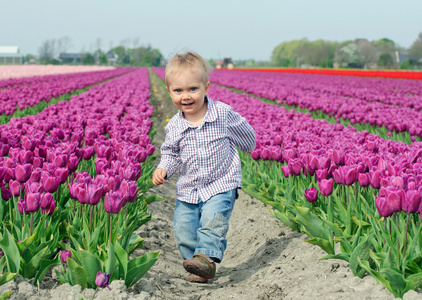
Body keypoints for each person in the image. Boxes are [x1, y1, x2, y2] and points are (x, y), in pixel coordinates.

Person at [152, 51, 256, 283]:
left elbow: (247, 136)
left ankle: (206, 258)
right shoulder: (175, 126)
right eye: (178, 91)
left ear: (206, 87)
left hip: (221, 183)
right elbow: (171, 153)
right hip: (189, 188)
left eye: (193, 89)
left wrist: (249, 145)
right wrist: (164, 169)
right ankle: (197, 266)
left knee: (212, 222)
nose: (186, 96)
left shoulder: (222, 114)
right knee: (183, 230)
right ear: (169, 91)